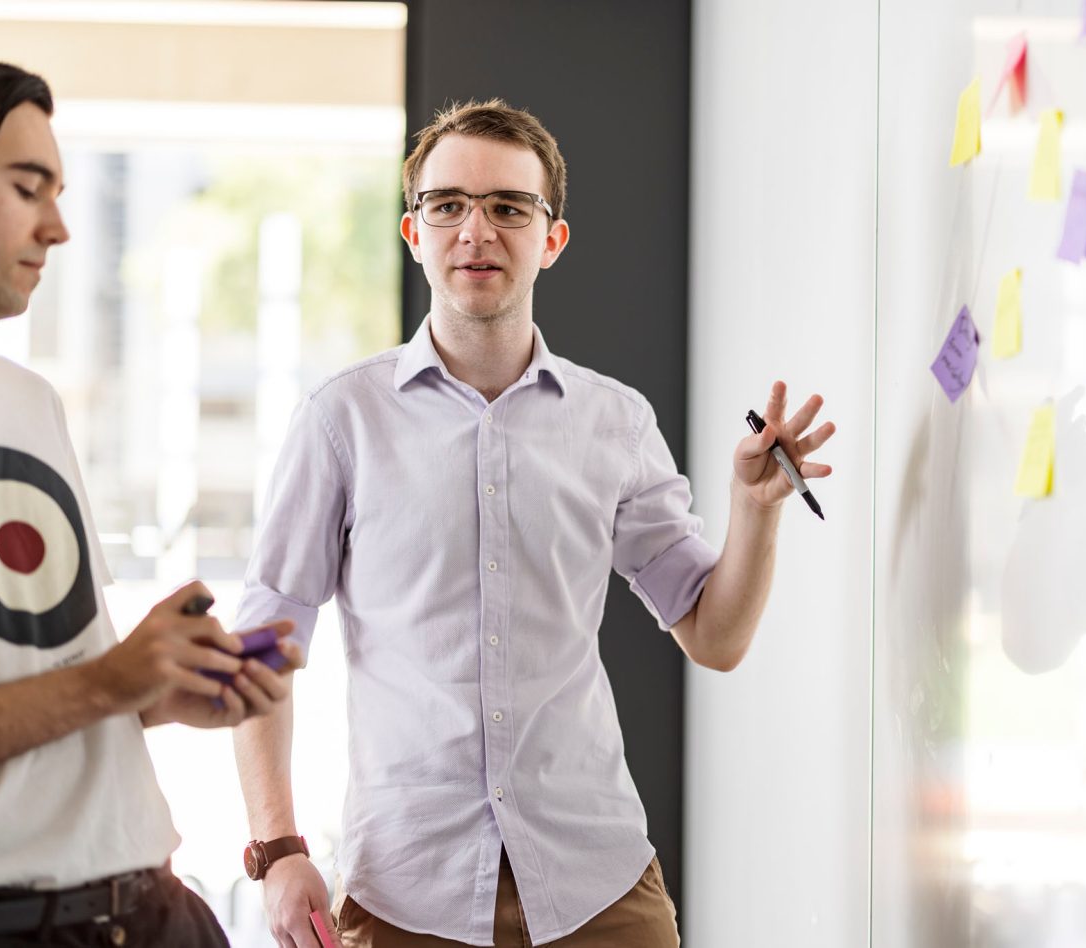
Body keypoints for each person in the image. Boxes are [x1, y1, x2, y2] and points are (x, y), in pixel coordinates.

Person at [233, 99, 834, 948]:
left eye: (509, 207)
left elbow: (715, 635)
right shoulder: (342, 422)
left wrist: (755, 512)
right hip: (409, 891)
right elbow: (263, 646)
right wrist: (277, 846)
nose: (475, 230)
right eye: (448, 205)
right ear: (414, 233)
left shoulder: (615, 424)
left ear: (550, 239)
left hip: (598, 887)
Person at [0, 48, 301, 946]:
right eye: (27, 186)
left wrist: (161, 691)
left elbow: (39, 691)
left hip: (152, 911)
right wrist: (109, 681)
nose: (59, 228)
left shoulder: (28, 403)